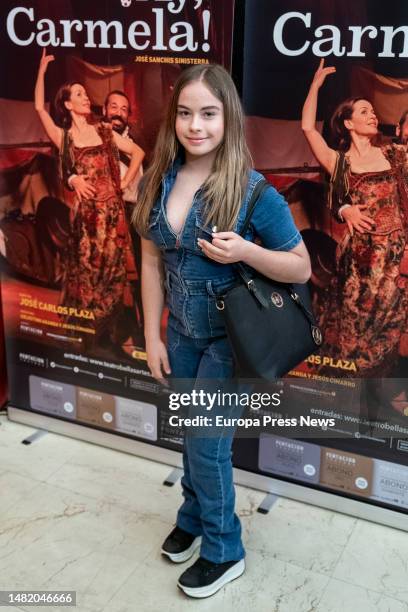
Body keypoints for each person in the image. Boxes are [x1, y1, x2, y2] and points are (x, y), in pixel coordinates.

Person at [133, 64, 310, 598]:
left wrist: (247, 251)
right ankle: (192, 517)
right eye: (185, 113)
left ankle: (224, 548)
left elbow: (300, 267)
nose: (196, 126)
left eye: (208, 113)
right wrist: (153, 336)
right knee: (190, 436)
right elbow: (148, 261)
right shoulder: (157, 180)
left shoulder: (254, 193)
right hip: (182, 336)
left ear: (227, 118)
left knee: (207, 445)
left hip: (229, 346)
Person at [302, 59, 408, 379]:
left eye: (373, 111)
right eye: (364, 111)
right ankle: (352, 394)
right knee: (356, 327)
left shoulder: (393, 153)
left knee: (391, 323)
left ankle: (373, 390)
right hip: (360, 260)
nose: (373, 114)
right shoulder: (340, 162)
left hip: (394, 255)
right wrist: (315, 86)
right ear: (348, 123)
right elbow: (308, 128)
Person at [34, 49, 144, 350]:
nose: (86, 98)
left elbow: (138, 153)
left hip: (112, 215)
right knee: (87, 273)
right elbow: (40, 110)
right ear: (68, 104)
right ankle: (88, 338)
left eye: (85, 94)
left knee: (113, 274)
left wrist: (123, 181)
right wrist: (42, 71)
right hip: (86, 219)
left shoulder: (103, 131)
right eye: (79, 94)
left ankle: (110, 336)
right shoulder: (65, 138)